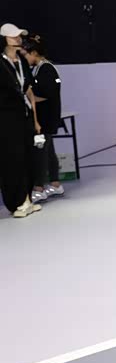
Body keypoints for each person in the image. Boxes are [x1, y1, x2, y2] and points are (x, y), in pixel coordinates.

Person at [0, 23, 41, 218]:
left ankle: (28, 199)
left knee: (28, 157)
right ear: (4, 39)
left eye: (19, 36)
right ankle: (18, 201)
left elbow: (29, 91)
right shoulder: (1, 63)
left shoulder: (22, 61)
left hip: (24, 116)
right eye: (13, 36)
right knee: (13, 159)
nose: (18, 39)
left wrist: (35, 119)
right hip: (6, 119)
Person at [23, 34, 65, 202]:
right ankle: (55, 183)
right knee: (48, 151)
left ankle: (39, 187)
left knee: (40, 152)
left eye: (26, 54)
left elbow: (46, 94)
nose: (24, 58)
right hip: (44, 118)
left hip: (45, 119)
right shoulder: (39, 69)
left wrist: (28, 97)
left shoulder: (47, 69)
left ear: (34, 53)